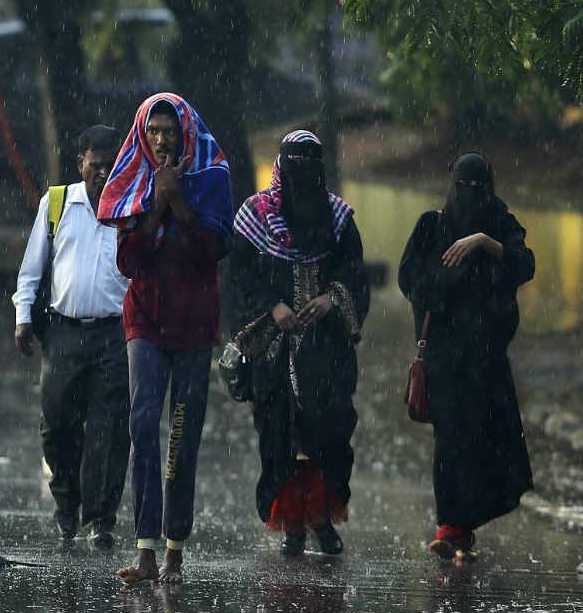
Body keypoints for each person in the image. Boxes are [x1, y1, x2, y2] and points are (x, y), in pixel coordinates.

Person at [97, 93, 234, 583]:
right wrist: (156, 204)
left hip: (195, 322)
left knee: (182, 433)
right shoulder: (131, 177)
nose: (159, 139)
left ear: (185, 133)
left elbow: (212, 251)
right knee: (141, 424)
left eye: (168, 131)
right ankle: (146, 549)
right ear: (141, 134)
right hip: (146, 320)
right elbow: (130, 262)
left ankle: (175, 548)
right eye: (152, 131)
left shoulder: (211, 175)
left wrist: (179, 199)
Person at [228, 130, 369, 557]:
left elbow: (355, 274)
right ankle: (292, 521)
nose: (301, 173)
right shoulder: (254, 218)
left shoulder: (339, 220)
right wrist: (273, 308)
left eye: (309, 163)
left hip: (326, 352)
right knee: (280, 436)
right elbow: (239, 278)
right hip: (274, 352)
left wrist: (331, 299)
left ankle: (322, 519)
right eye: (294, 163)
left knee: (327, 434)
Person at [398, 152, 534, 563]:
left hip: (488, 357)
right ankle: (449, 526)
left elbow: (524, 265)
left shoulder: (501, 223)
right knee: (452, 441)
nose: (469, 196)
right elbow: (411, 280)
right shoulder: (431, 225)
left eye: (477, 188)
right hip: (444, 355)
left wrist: (483, 243)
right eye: (463, 187)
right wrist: (450, 280)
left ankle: (463, 528)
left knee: (484, 440)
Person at [12, 124, 130, 550]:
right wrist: (23, 316)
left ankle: (101, 519)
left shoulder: (133, 206)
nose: (102, 173)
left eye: (110, 164)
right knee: (57, 424)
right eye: (94, 165)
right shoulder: (57, 203)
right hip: (63, 332)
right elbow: (32, 269)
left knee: (110, 429)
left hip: (117, 335)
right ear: (80, 163)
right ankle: (67, 506)